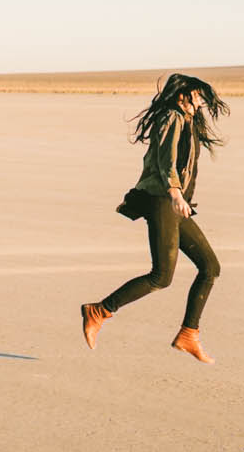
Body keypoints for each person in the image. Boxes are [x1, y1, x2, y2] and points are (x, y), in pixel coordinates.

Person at [80, 73, 229, 363]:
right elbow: (165, 158)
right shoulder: (171, 117)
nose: (201, 103)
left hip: (174, 201)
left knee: (210, 267)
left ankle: (189, 334)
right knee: (162, 276)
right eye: (197, 96)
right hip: (163, 200)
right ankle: (99, 310)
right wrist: (174, 192)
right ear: (183, 95)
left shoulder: (186, 120)